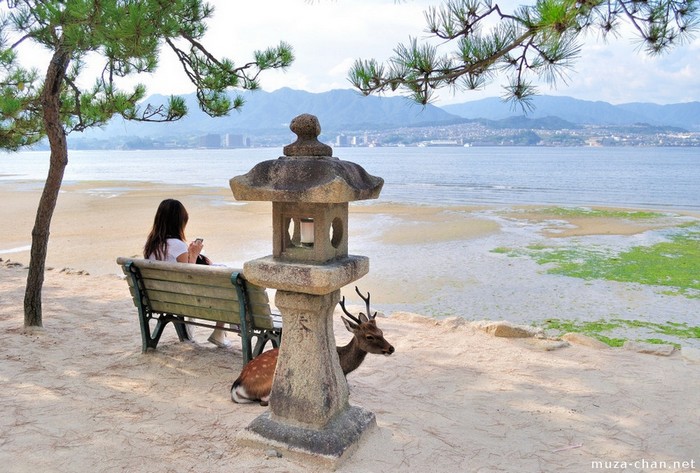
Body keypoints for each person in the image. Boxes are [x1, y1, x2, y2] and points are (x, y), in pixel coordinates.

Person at [143, 198, 231, 348]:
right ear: (178, 222)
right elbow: (189, 277)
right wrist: (195, 254)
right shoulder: (177, 245)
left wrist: (190, 253)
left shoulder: (152, 245)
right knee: (227, 286)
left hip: (159, 299)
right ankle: (219, 332)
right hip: (183, 300)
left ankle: (222, 332)